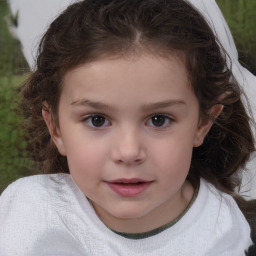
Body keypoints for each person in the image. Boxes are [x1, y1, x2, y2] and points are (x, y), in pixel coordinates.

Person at [0, 0, 255, 255]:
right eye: (97, 120)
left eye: (159, 120)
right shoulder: (26, 212)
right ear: (56, 128)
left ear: (202, 123)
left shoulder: (235, 234)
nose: (129, 152)